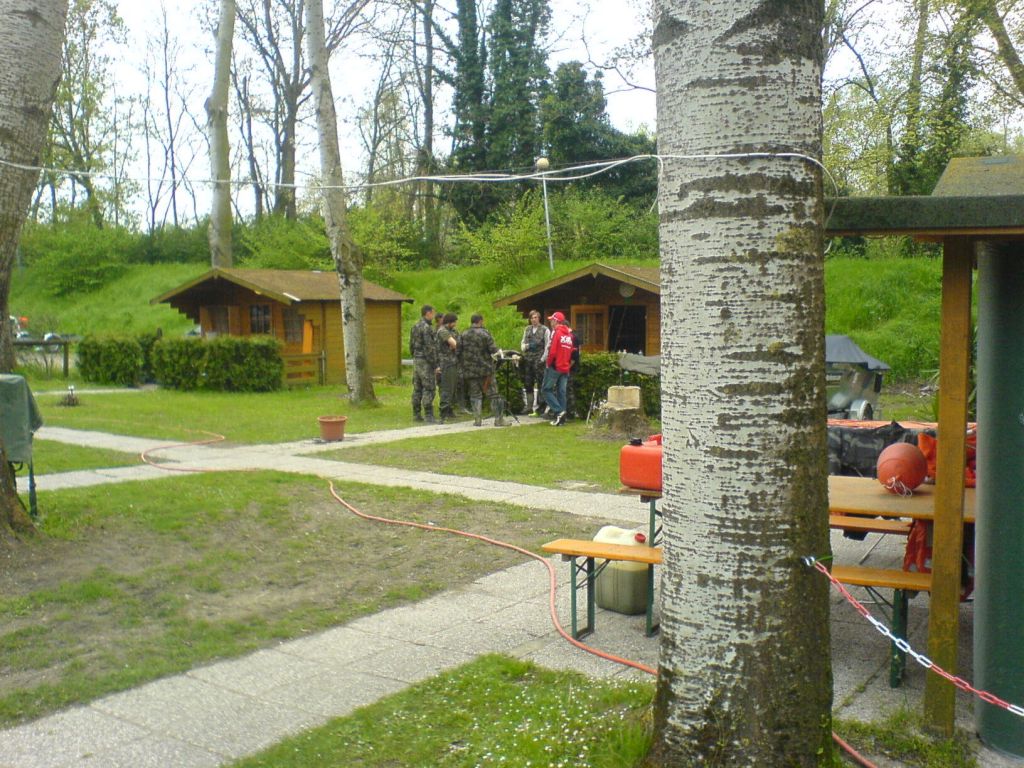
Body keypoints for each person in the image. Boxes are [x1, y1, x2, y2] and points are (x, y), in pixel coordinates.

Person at [460, 313, 502, 427]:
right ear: (480, 321)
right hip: (485, 370)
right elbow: (493, 349)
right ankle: (498, 420)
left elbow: (458, 351)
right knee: (493, 394)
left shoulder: (464, 334)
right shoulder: (485, 333)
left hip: (469, 370)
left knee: (475, 395)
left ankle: (477, 420)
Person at [541, 311, 574, 426]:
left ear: (556, 321)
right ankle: (562, 419)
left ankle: (559, 412)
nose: (551, 322)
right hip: (565, 367)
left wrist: (548, 363)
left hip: (555, 367)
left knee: (546, 390)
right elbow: (570, 352)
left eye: (552, 320)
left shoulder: (557, 333)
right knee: (561, 392)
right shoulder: (569, 335)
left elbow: (552, 351)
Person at [410, 304, 438, 423]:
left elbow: (411, 344)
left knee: (417, 388)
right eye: (433, 313)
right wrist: (434, 364)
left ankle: (416, 414)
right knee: (429, 387)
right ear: (428, 313)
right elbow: (429, 348)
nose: (434, 316)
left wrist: (415, 356)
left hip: (417, 360)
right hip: (426, 361)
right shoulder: (427, 328)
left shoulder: (415, 326)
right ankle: (429, 415)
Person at [519, 309, 550, 416]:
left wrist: (543, 359)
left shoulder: (545, 329)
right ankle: (529, 407)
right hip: (528, 360)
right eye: (532, 318)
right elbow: (522, 344)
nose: (534, 319)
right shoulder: (527, 329)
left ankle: (541, 407)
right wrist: (526, 346)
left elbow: (548, 346)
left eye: (535, 317)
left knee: (541, 384)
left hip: (539, 361)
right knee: (528, 383)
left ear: (539, 318)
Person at [435, 313, 459, 422]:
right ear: (450, 322)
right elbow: (455, 344)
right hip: (446, 363)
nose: (455, 324)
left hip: (453, 362)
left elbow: (458, 343)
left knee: (452, 388)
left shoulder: (453, 331)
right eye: (454, 322)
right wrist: (454, 346)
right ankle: (443, 413)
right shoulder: (442, 331)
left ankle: (449, 410)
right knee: (446, 389)